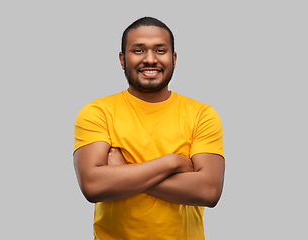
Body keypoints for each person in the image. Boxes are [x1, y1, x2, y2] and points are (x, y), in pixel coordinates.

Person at [73, 16, 225, 240]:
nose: (150, 59)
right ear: (122, 59)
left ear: (173, 58)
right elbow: (93, 186)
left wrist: (123, 171)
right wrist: (171, 162)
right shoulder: (98, 112)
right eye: (139, 50)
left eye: (160, 50)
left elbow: (209, 191)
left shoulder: (202, 114)